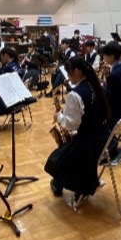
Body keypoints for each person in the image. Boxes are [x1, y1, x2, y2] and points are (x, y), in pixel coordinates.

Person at [44, 56, 111, 203]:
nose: (68, 78)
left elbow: (70, 125)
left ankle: (77, 184)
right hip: (105, 140)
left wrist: (58, 116)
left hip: (88, 146)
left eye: (69, 74)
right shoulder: (96, 86)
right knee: (65, 154)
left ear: (77, 72)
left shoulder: (75, 95)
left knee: (54, 160)